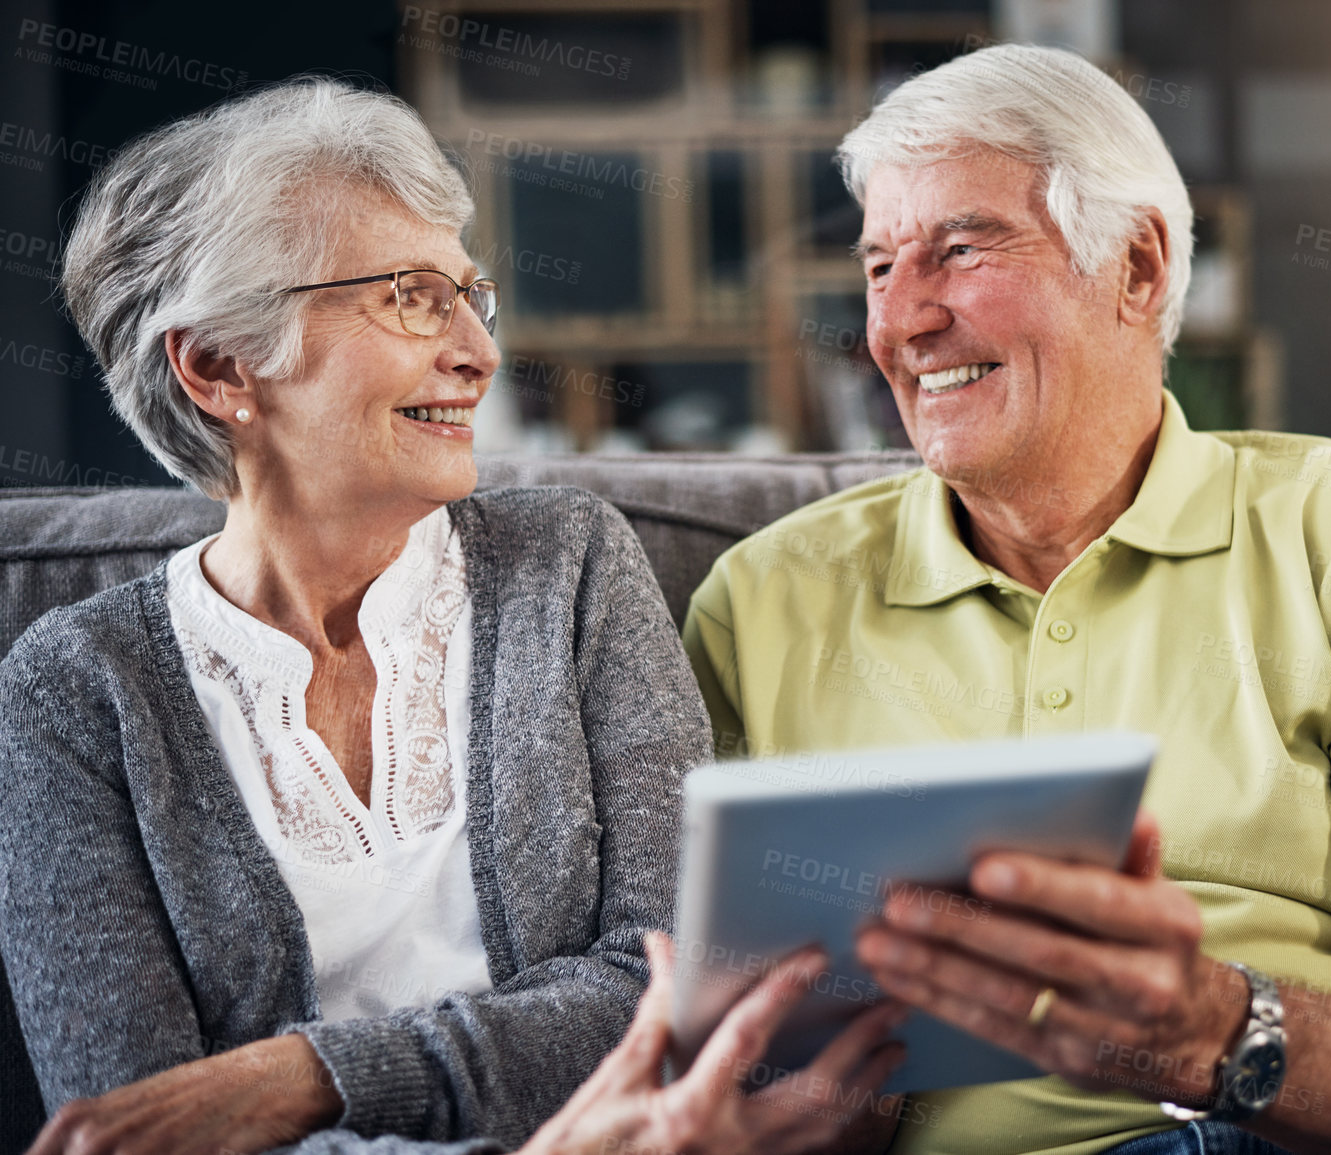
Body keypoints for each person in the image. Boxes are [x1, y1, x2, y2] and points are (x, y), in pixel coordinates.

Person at [683, 44, 1331, 1155]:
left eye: (959, 249)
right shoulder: (758, 603)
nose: (899, 323)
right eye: (875, 268)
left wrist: (1209, 1029)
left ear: (1138, 268)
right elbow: (738, 1078)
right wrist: (817, 1095)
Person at [0, 78, 902, 1155]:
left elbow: (660, 981)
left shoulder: (567, 569)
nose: (478, 350)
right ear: (217, 366)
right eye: (413, 297)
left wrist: (308, 1076)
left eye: (473, 294)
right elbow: (140, 1132)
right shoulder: (72, 688)